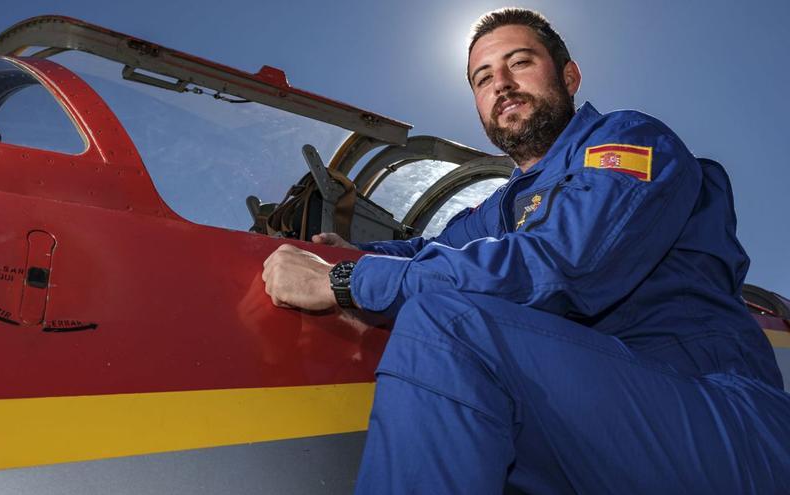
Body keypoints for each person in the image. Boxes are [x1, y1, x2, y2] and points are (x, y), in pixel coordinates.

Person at [261, 7, 790, 494]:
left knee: (448, 324)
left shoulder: (629, 140)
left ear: (569, 76)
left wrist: (344, 283)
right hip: (597, 420)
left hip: (720, 417)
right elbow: (430, 251)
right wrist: (347, 254)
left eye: (520, 62)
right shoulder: (501, 209)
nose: (503, 85)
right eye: (483, 78)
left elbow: (563, 264)